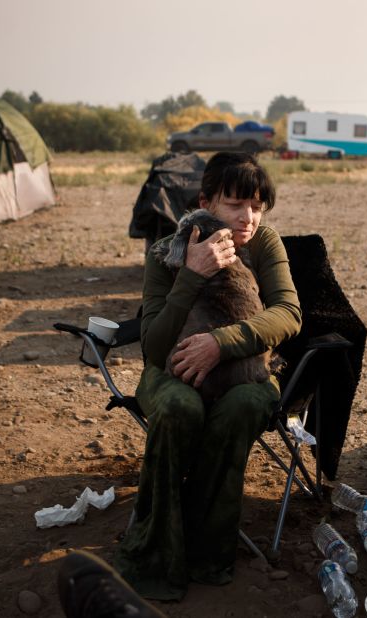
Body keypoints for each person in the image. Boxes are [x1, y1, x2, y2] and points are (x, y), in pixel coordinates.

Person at [109, 151, 301, 601]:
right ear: (207, 201)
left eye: (257, 206)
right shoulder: (167, 251)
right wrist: (192, 275)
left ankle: (209, 555)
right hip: (171, 369)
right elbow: (155, 347)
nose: (248, 217)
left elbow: (288, 314)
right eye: (235, 204)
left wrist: (223, 343)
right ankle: (155, 557)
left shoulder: (264, 244)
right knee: (178, 407)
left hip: (246, 372)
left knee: (242, 407)